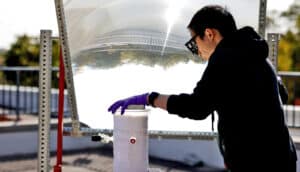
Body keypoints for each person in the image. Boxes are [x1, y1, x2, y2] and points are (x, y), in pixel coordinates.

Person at [108, 5, 297, 172]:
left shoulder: (224, 58)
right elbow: (282, 94)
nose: (196, 50)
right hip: (282, 158)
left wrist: (150, 98)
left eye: (194, 41)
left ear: (209, 34)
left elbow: (196, 107)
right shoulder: (256, 53)